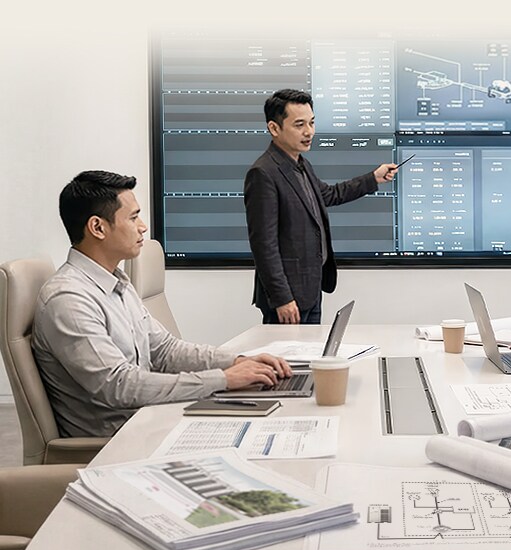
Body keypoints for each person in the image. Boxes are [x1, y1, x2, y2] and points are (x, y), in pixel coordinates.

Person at [32, 170, 292, 437]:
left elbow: (165, 351)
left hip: (150, 421)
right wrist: (223, 380)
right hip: (118, 443)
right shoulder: (69, 299)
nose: (143, 226)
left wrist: (235, 362)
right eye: (133, 217)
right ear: (98, 227)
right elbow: (118, 386)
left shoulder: (117, 282)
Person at [243, 88, 398, 324]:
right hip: (288, 299)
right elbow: (264, 245)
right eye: (299, 125)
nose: (309, 132)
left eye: (312, 123)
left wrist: (373, 177)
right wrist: (282, 298)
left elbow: (329, 194)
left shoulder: (301, 165)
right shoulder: (263, 173)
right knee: (290, 361)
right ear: (274, 128)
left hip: (309, 289)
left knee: (309, 358)